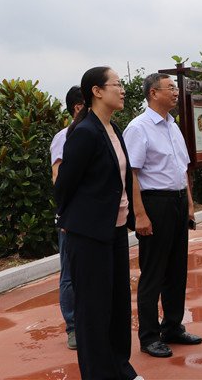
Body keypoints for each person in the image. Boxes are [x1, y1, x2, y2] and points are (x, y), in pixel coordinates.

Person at [54, 67, 141, 380]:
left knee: (117, 305)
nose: (122, 89)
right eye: (116, 84)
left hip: (114, 230)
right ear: (97, 91)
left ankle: (120, 367)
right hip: (88, 234)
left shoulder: (113, 128)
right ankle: (98, 373)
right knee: (93, 311)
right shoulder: (86, 132)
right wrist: (70, 219)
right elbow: (63, 185)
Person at [124, 73, 201, 358]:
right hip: (154, 203)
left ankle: (172, 326)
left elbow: (182, 169)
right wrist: (140, 215)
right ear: (153, 93)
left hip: (178, 202)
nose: (176, 93)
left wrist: (190, 205)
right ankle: (148, 336)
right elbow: (130, 174)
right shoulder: (139, 127)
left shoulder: (173, 126)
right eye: (171, 88)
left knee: (177, 268)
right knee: (153, 272)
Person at [50, 85, 84, 350]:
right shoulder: (64, 137)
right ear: (78, 107)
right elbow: (58, 179)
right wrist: (65, 216)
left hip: (95, 218)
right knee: (70, 275)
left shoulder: (97, 132)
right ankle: (73, 327)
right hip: (72, 220)